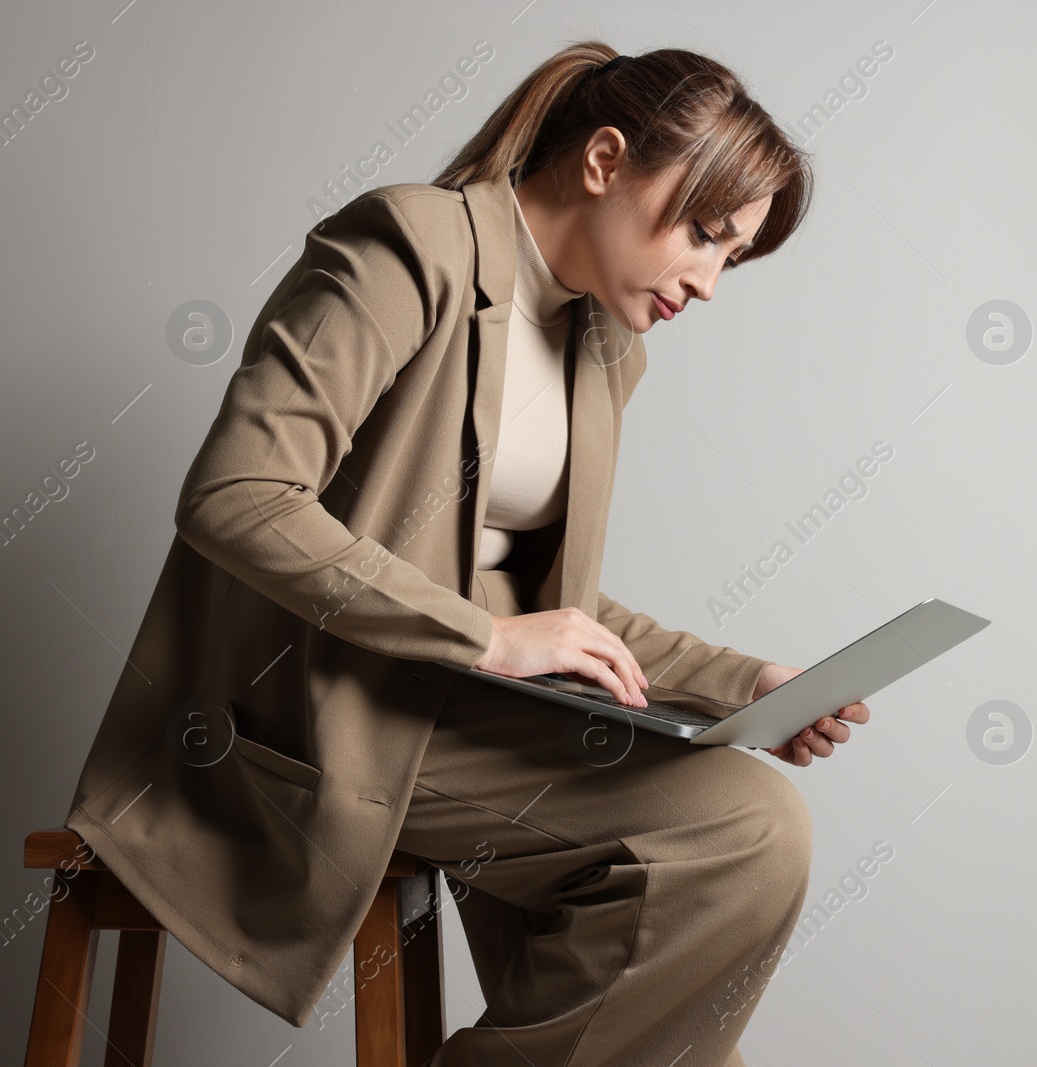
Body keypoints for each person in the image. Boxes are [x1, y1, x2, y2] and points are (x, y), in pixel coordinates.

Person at [62, 41, 868, 1066]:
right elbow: (239, 492)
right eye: (706, 234)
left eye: (731, 258)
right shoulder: (411, 247)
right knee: (747, 832)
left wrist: (740, 683)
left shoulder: (602, 345)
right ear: (604, 159)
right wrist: (483, 638)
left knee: (723, 876)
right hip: (317, 707)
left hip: (461, 709)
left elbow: (544, 607)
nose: (708, 282)